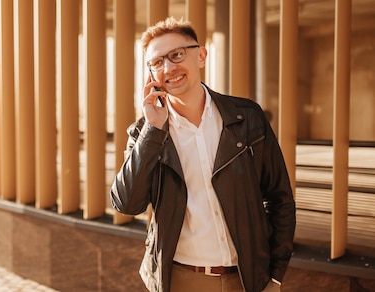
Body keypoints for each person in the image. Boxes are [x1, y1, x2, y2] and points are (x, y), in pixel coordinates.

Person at [110, 17, 296, 292]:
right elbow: (126, 204)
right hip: (182, 280)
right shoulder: (146, 133)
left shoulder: (247, 118)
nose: (169, 68)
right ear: (150, 75)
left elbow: (280, 199)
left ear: (202, 56)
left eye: (176, 55)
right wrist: (153, 131)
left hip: (248, 279)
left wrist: (276, 275)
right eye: (157, 62)